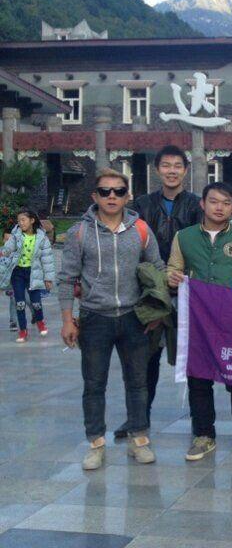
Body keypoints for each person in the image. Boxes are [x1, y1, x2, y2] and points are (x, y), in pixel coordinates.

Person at [57, 168, 164, 470]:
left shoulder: (140, 229)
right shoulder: (80, 232)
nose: (112, 196)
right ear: (95, 196)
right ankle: (96, 444)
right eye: (105, 191)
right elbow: (67, 278)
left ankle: (139, 439)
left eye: (118, 191)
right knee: (94, 384)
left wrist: (156, 311)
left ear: (127, 196)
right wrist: (67, 319)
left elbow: (157, 268)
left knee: (138, 383)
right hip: (95, 318)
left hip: (133, 317)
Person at [167, 181, 232, 462]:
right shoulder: (184, 237)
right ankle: (203, 435)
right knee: (199, 379)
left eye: (226, 203)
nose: (219, 207)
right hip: (198, 321)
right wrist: (171, 277)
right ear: (203, 204)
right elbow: (173, 269)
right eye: (213, 201)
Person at [114, 145, 201, 440]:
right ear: (157, 169)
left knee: (192, 357)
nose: (172, 171)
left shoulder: (196, 205)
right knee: (144, 359)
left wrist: (183, 274)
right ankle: (138, 418)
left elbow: (201, 246)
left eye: (177, 165)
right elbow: (130, 246)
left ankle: (201, 420)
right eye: (166, 165)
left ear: (185, 170)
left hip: (186, 290)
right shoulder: (142, 205)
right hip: (150, 292)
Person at [0, 209, 55, 343]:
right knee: (19, 303)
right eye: (18, 220)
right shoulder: (16, 235)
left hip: (33, 273)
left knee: (36, 302)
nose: (20, 223)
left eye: (23, 220)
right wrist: (5, 250)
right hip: (17, 273)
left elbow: (47, 259)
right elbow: (8, 249)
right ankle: (23, 330)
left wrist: (48, 278)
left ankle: (40, 321)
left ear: (32, 220)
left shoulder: (41, 238)